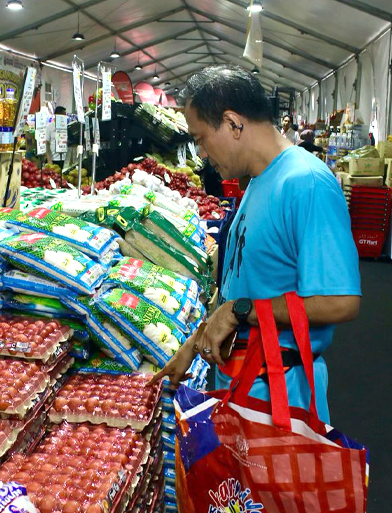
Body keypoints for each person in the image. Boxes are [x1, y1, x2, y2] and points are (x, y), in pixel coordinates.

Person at [151, 65, 361, 423]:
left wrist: (238, 310)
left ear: (233, 123)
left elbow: (340, 301)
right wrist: (198, 340)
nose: (201, 154)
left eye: (201, 139)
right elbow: (246, 278)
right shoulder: (258, 182)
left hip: (280, 401)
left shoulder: (305, 182)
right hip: (245, 387)